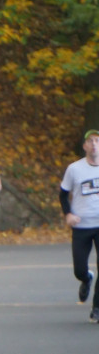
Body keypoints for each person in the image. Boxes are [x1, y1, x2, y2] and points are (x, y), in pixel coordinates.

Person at [59, 129, 99, 322]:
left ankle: (97, 308)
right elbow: (62, 194)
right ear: (84, 146)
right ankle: (85, 278)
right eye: (90, 141)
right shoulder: (74, 169)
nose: (94, 144)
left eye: (97, 141)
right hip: (81, 225)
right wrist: (68, 214)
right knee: (79, 269)